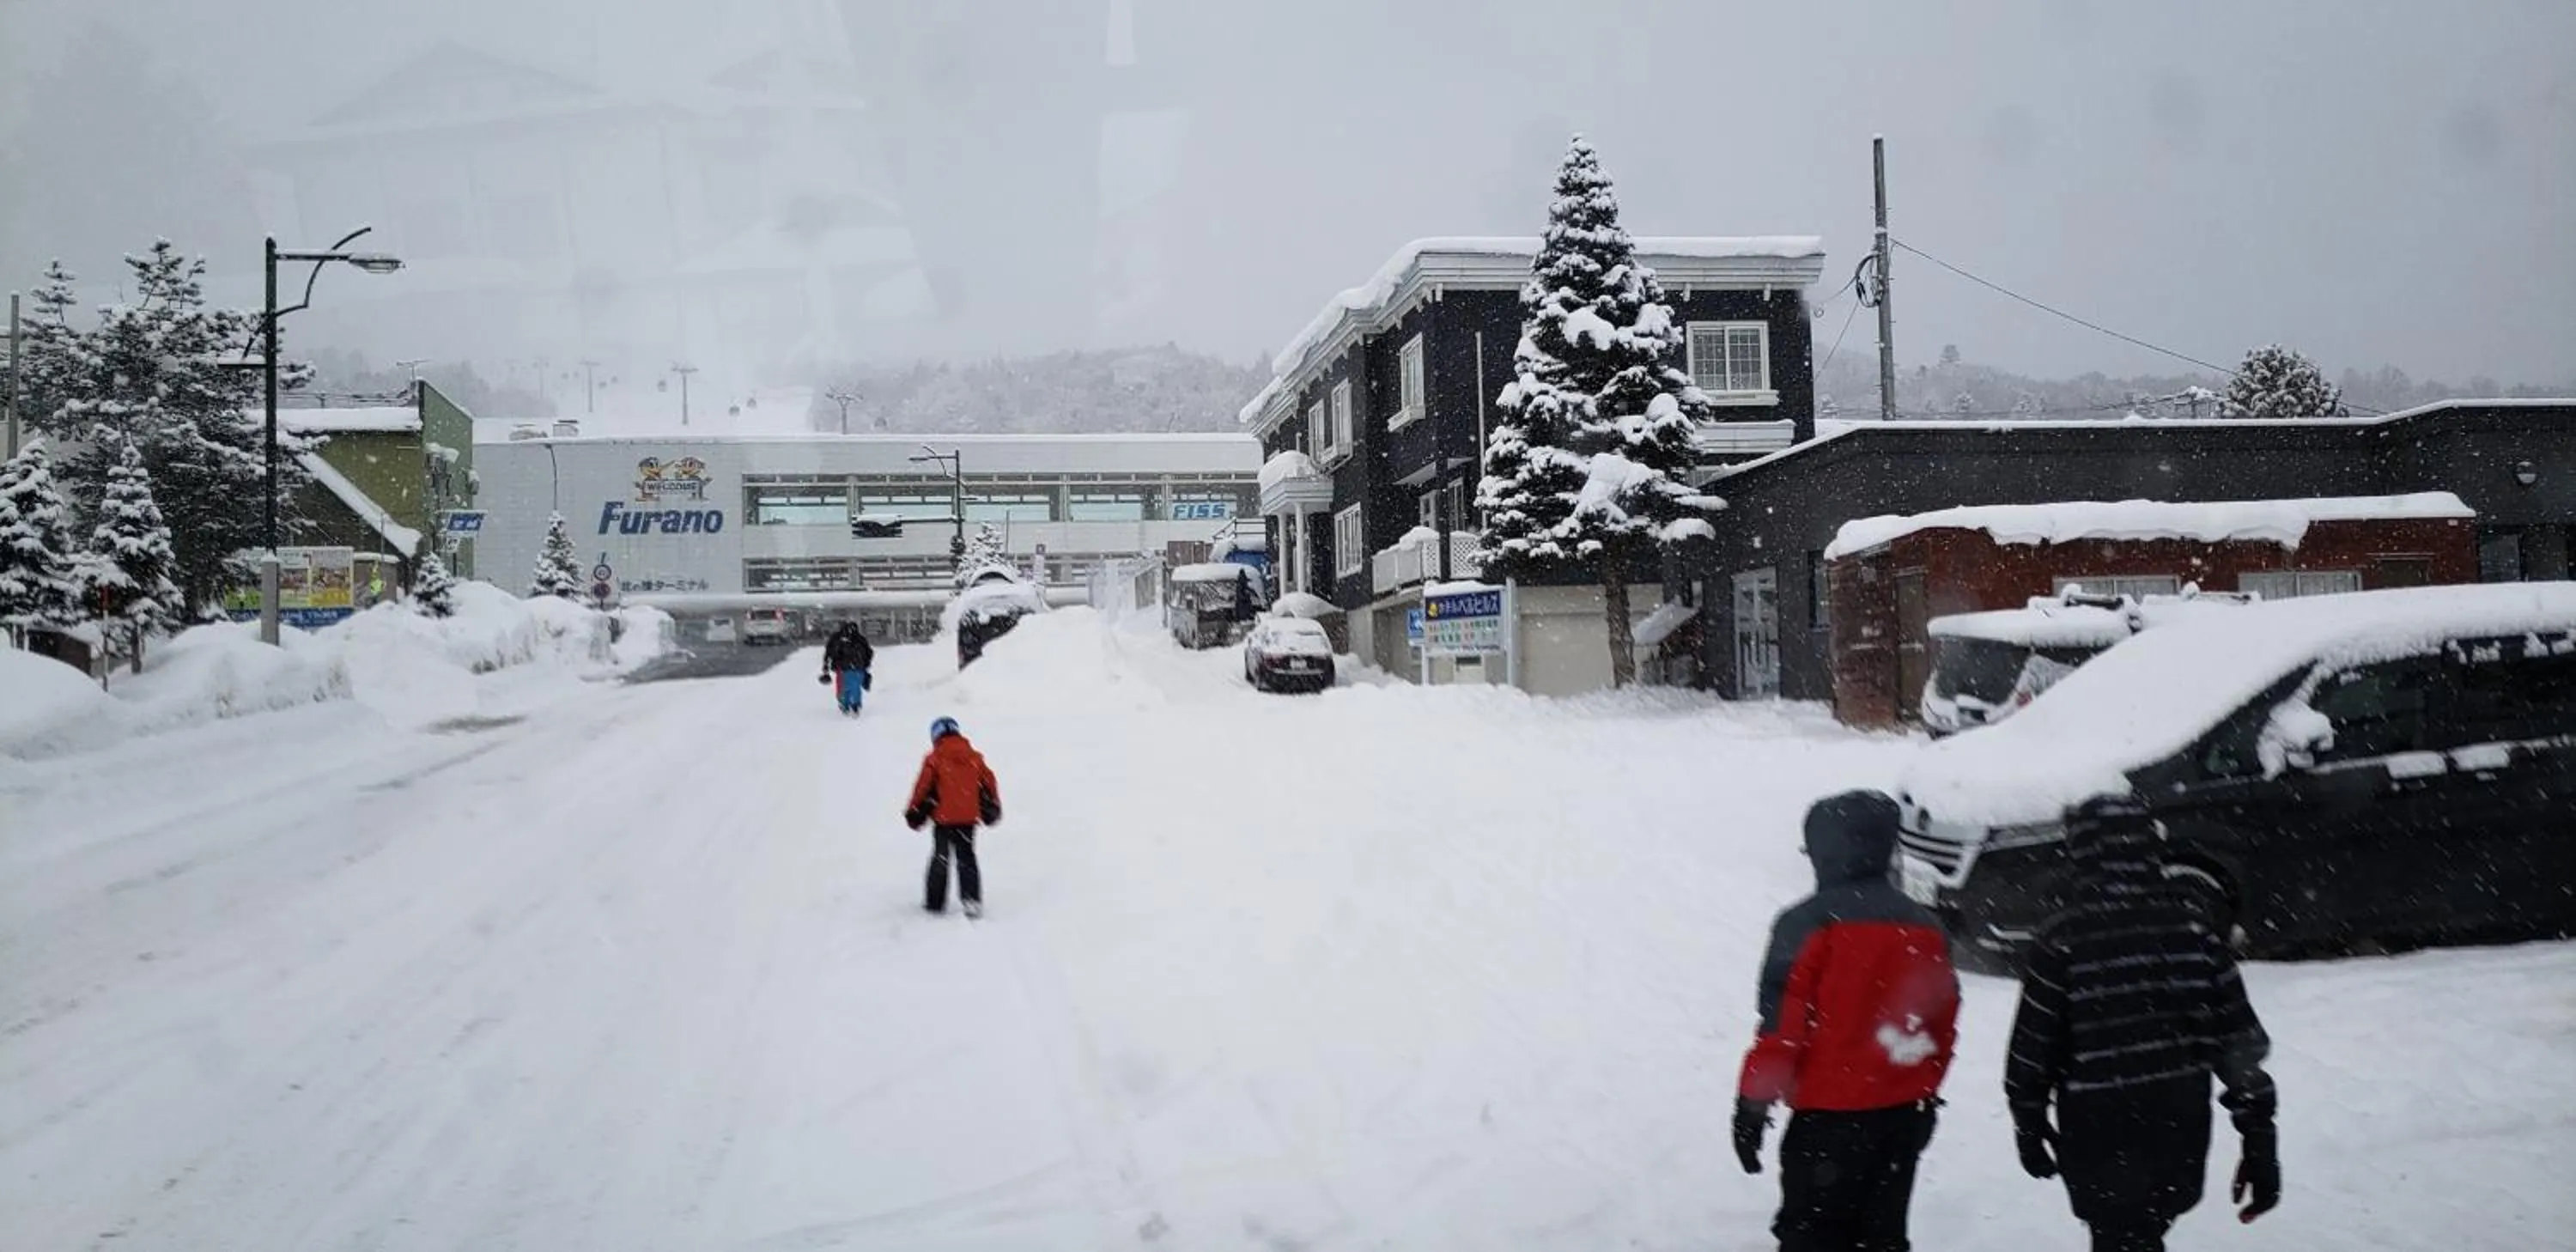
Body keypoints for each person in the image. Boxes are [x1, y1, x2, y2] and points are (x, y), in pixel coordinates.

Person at [2005, 793, 2280, 1252]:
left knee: (2121, 1236)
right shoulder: (2194, 931)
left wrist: (2028, 1123)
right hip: (2179, 1129)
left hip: (2098, 1132)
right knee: (2145, 1230)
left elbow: (2032, 1050)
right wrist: (2259, 1135)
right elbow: (2237, 1042)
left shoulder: (2061, 940)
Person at [1734, 789, 1961, 1252]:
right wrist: (1925, 1094)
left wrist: (1752, 1107)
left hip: (1827, 1123)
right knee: (1882, 1235)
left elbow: (1782, 1030)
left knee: (1813, 1235)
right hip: (1900, 1118)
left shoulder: (1806, 925)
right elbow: (1940, 1025)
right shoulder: (1925, 928)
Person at [904, 716, 1002, 917]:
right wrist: (993, 804)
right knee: (967, 857)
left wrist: (914, 810)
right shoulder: (974, 757)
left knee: (941, 858)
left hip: (943, 818)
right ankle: (971, 900)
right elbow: (989, 782)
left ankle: (935, 902)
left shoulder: (935, 758)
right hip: (968, 817)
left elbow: (922, 787)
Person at [821, 622, 875, 714]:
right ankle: (855, 704)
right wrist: (866, 664)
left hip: (843, 667)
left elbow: (830, 652)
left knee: (843, 687)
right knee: (855, 686)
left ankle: (845, 704)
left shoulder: (838, 639)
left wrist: (827, 665)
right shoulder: (860, 639)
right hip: (858, 667)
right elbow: (869, 652)